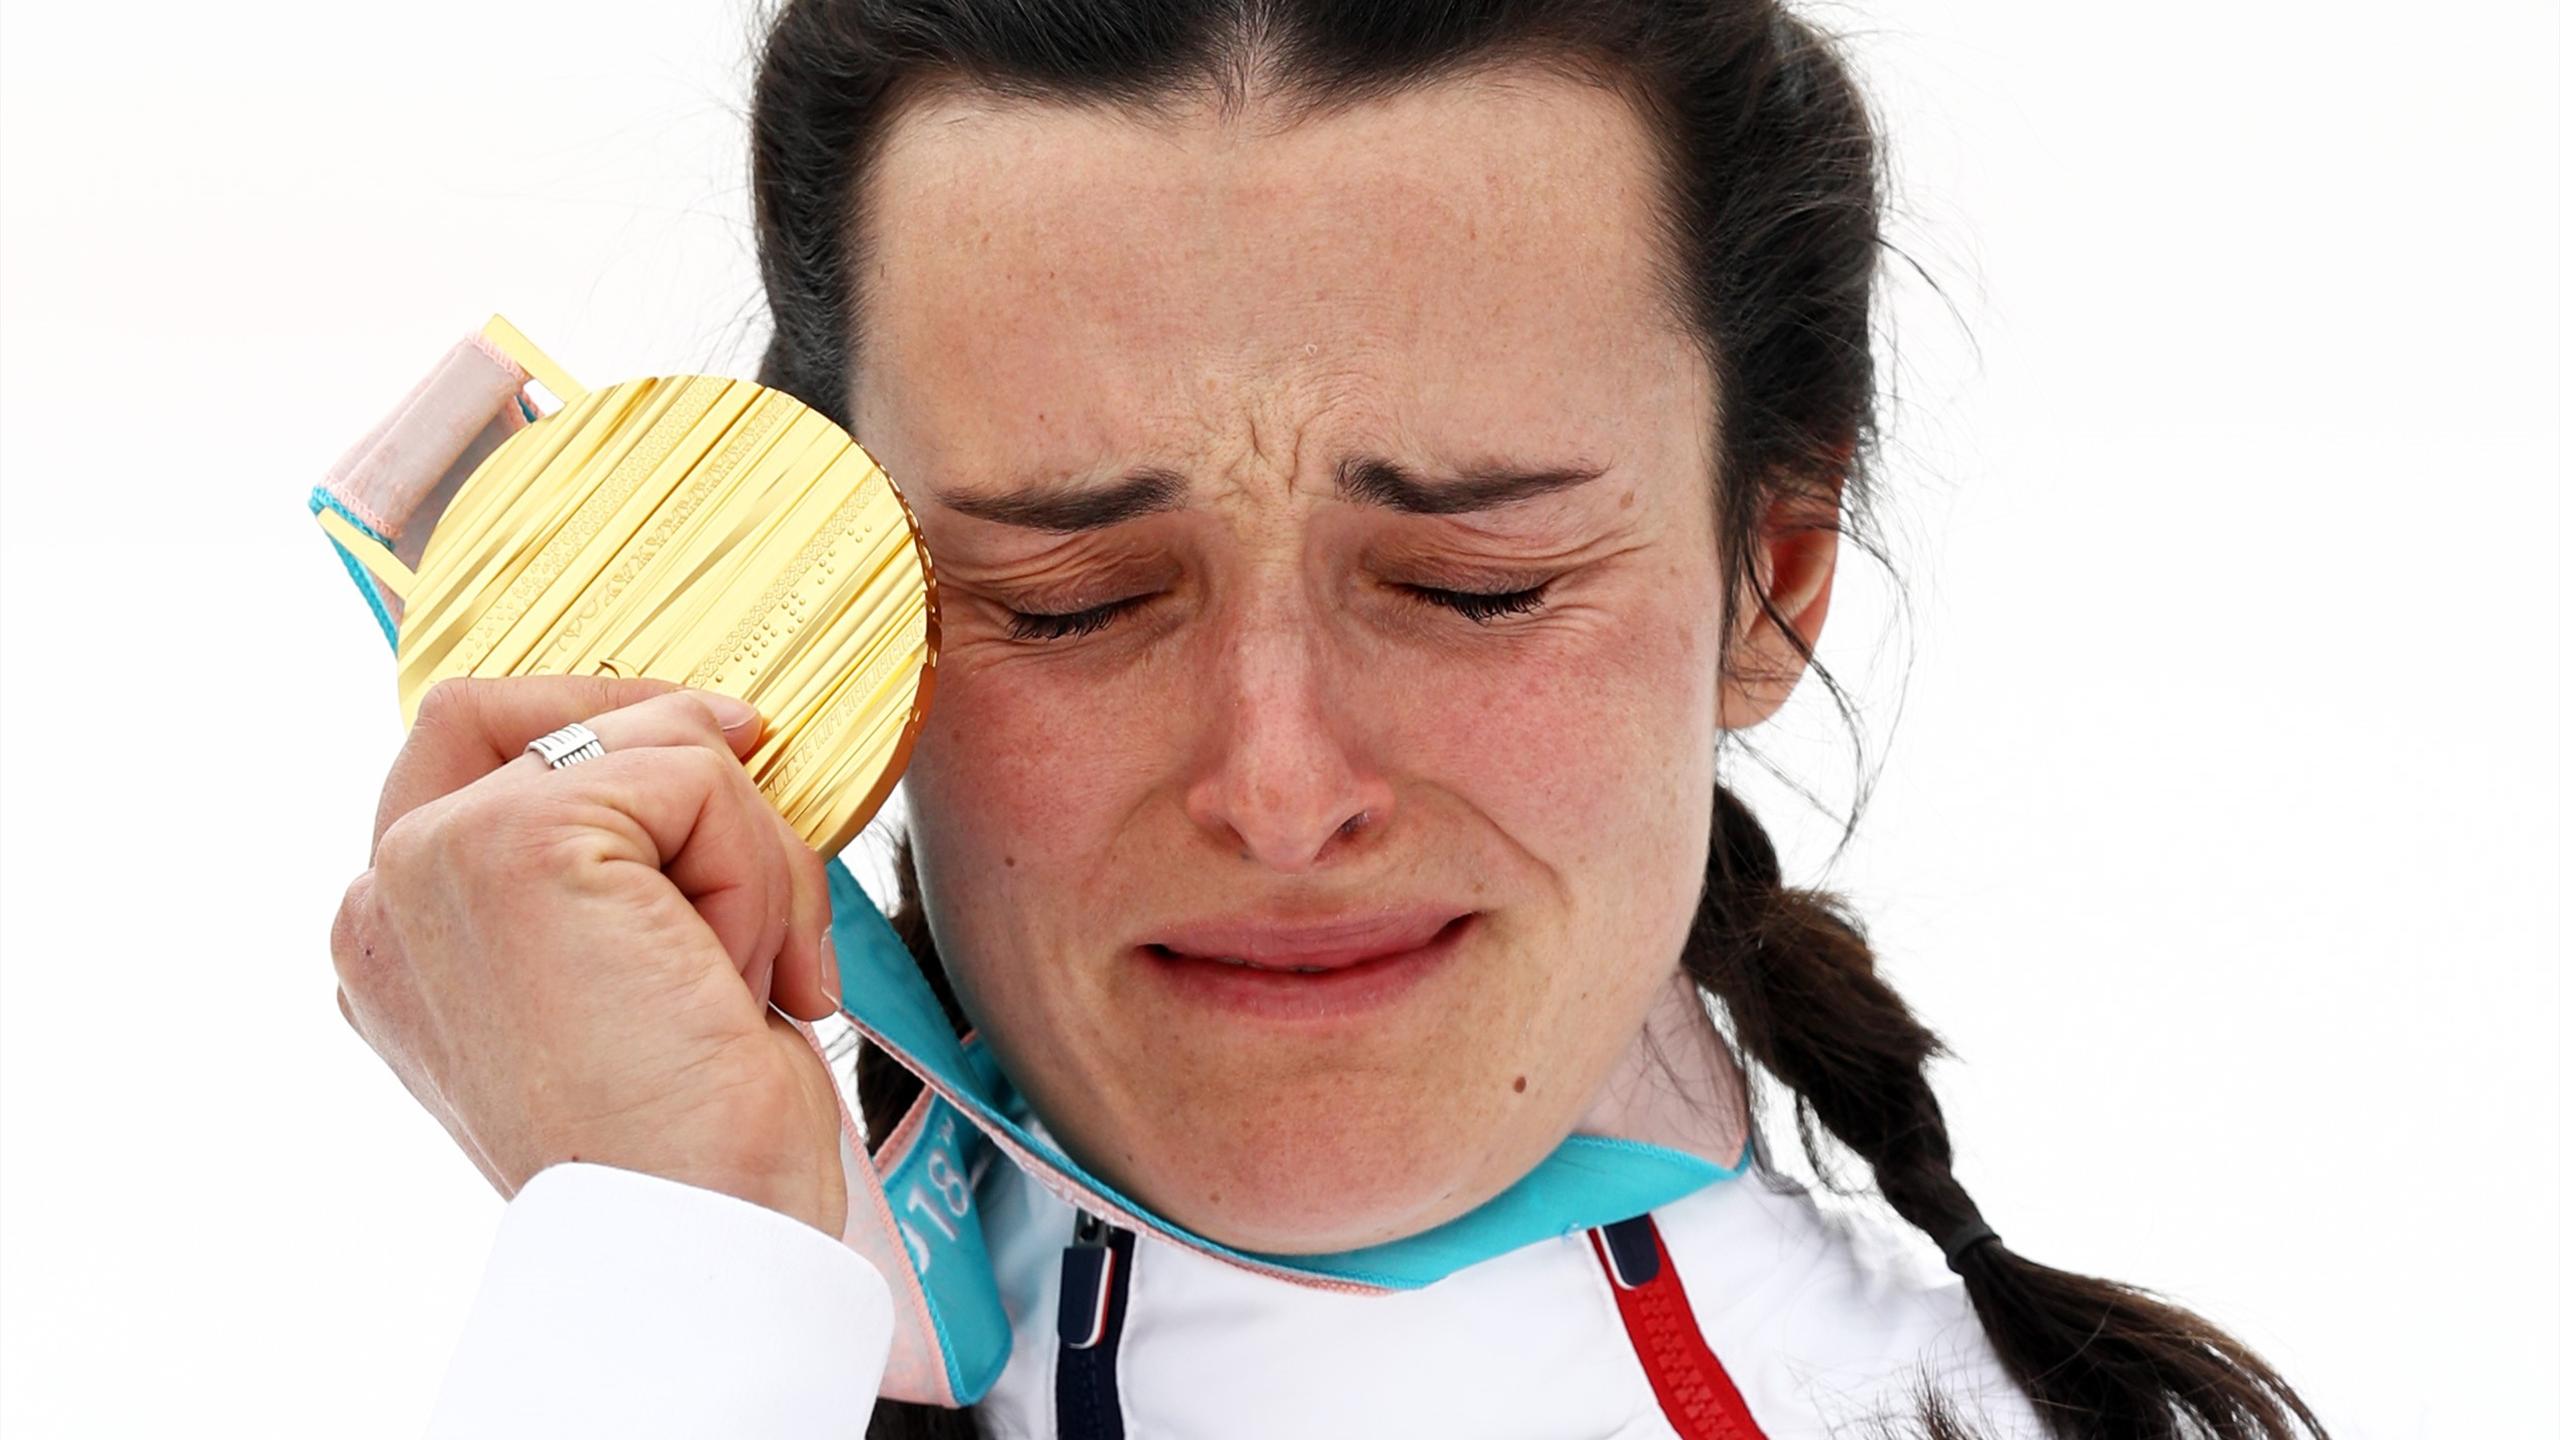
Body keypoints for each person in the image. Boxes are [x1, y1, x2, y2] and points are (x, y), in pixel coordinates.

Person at [328, 2, 2333, 1436]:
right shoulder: (686, 1344)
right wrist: (673, 1270)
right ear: (829, 628)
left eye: (1473, 588)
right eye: (1068, 600)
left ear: (1770, 579)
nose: (1278, 792)